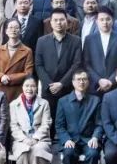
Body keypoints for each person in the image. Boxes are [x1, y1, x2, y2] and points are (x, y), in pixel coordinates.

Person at [34, 8, 83, 137]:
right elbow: (38, 65)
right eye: (55, 20)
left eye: (62, 20)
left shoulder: (76, 41)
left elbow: (77, 64)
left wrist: (62, 83)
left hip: (67, 88)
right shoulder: (42, 41)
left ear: (67, 22)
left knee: (68, 121)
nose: (59, 23)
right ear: (50, 23)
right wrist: (49, 84)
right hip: (48, 89)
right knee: (49, 122)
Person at [56, 70, 103, 164]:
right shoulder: (63, 101)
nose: (81, 82)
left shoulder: (95, 100)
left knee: (93, 154)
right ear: (73, 82)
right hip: (71, 140)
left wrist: (95, 137)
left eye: (84, 79)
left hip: (89, 139)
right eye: (78, 79)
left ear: (88, 82)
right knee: (68, 153)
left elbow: (99, 124)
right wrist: (66, 139)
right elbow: (59, 125)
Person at [10, 76, 53, 164]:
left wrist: (36, 138)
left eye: (33, 86)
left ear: (37, 88)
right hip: (21, 139)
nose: (30, 89)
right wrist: (24, 139)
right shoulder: (14, 104)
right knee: (23, 151)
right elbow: (13, 126)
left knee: (37, 150)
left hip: (40, 138)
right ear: (22, 87)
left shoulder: (44, 103)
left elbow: (46, 123)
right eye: (27, 86)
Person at [82, 7, 117, 94]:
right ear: (96, 21)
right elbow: (86, 64)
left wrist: (111, 81)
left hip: (115, 85)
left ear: (113, 20)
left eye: (108, 19)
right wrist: (99, 80)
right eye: (102, 20)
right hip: (94, 86)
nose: (105, 22)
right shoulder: (89, 39)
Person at [0, 19, 35, 103]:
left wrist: (10, 78)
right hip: (0, 89)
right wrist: (1, 77)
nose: (13, 30)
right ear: (6, 31)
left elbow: (28, 73)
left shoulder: (27, 51)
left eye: (16, 28)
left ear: (20, 31)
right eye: (10, 27)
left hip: (17, 90)